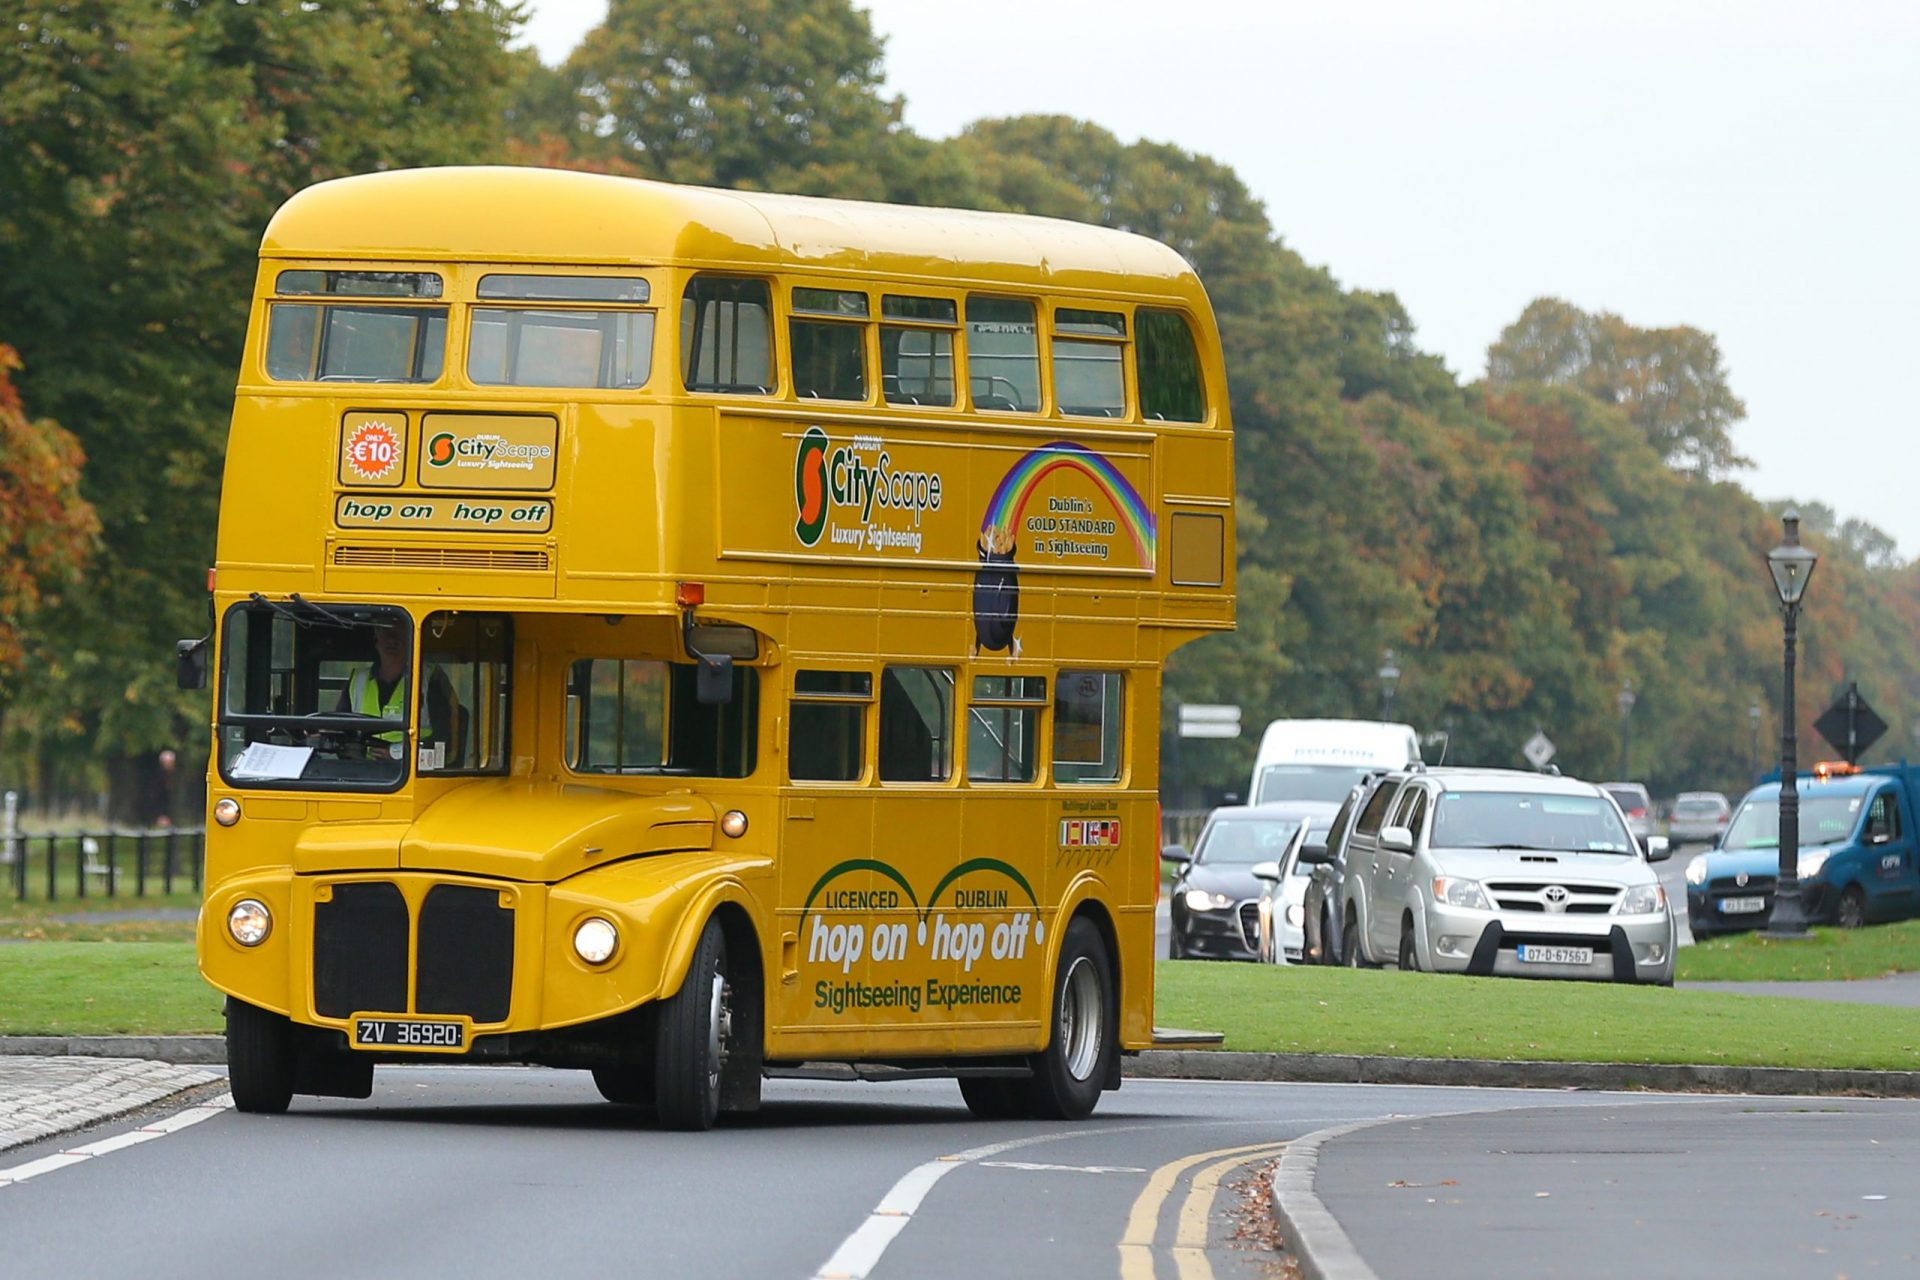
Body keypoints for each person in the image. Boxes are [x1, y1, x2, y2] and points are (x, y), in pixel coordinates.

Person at [339, 621, 456, 765]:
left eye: (399, 632)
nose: (391, 640)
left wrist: (396, 753)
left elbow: (444, 738)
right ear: (376, 639)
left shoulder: (430, 679)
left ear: (411, 638)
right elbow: (341, 728)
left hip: (413, 773)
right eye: (385, 632)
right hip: (364, 774)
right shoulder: (357, 680)